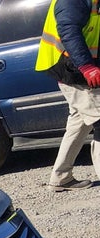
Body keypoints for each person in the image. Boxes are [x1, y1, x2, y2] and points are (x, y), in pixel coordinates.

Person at [36, 0, 100, 191]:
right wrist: (88, 67)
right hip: (72, 68)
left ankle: (60, 177)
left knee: (78, 123)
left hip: (76, 67)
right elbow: (69, 32)